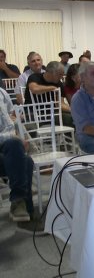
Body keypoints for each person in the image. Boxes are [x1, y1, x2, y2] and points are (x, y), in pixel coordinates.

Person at [0, 87, 34, 222]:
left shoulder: (2, 92)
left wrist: (18, 131)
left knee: (26, 161)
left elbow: (10, 118)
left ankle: (22, 208)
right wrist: (15, 138)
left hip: (7, 146)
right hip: (7, 143)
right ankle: (22, 205)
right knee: (17, 150)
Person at [25, 61, 73, 127]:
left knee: (74, 119)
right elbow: (34, 89)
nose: (62, 77)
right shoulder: (34, 77)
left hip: (52, 114)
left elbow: (60, 104)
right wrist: (52, 88)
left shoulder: (59, 84)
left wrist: (74, 110)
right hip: (32, 113)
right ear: (51, 73)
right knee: (30, 127)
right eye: (60, 74)